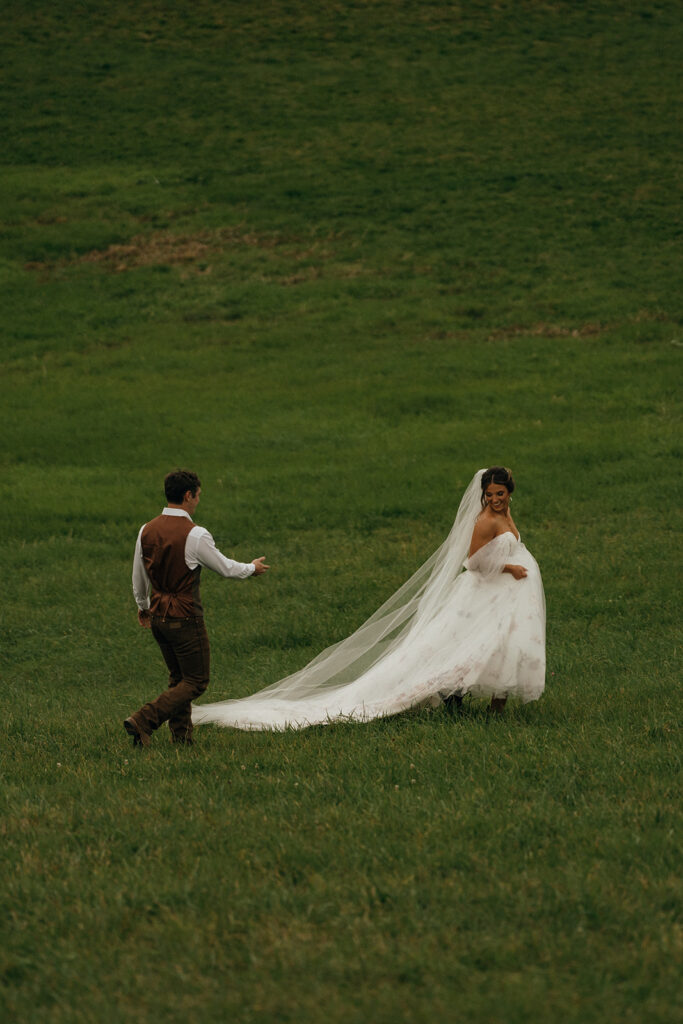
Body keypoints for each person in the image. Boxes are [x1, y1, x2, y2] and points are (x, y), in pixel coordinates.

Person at [192, 466, 545, 732]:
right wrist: (510, 568)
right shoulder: (484, 520)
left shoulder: (504, 513)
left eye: (501, 494)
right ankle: (453, 697)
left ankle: (493, 702)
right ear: (483, 494)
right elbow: (473, 562)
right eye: (491, 494)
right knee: (469, 647)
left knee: (501, 645)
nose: (496, 500)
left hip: (501, 597)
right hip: (485, 593)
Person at [124, 469, 269, 747]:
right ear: (188, 495)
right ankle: (144, 719)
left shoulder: (146, 529)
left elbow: (138, 574)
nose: (198, 501)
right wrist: (252, 568)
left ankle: (182, 739)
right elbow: (225, 568)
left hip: (158, 616)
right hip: (185, 618)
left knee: (179, 679)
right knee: (196, 681)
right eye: (198, 496)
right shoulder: (195, 535)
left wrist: (143, 606)